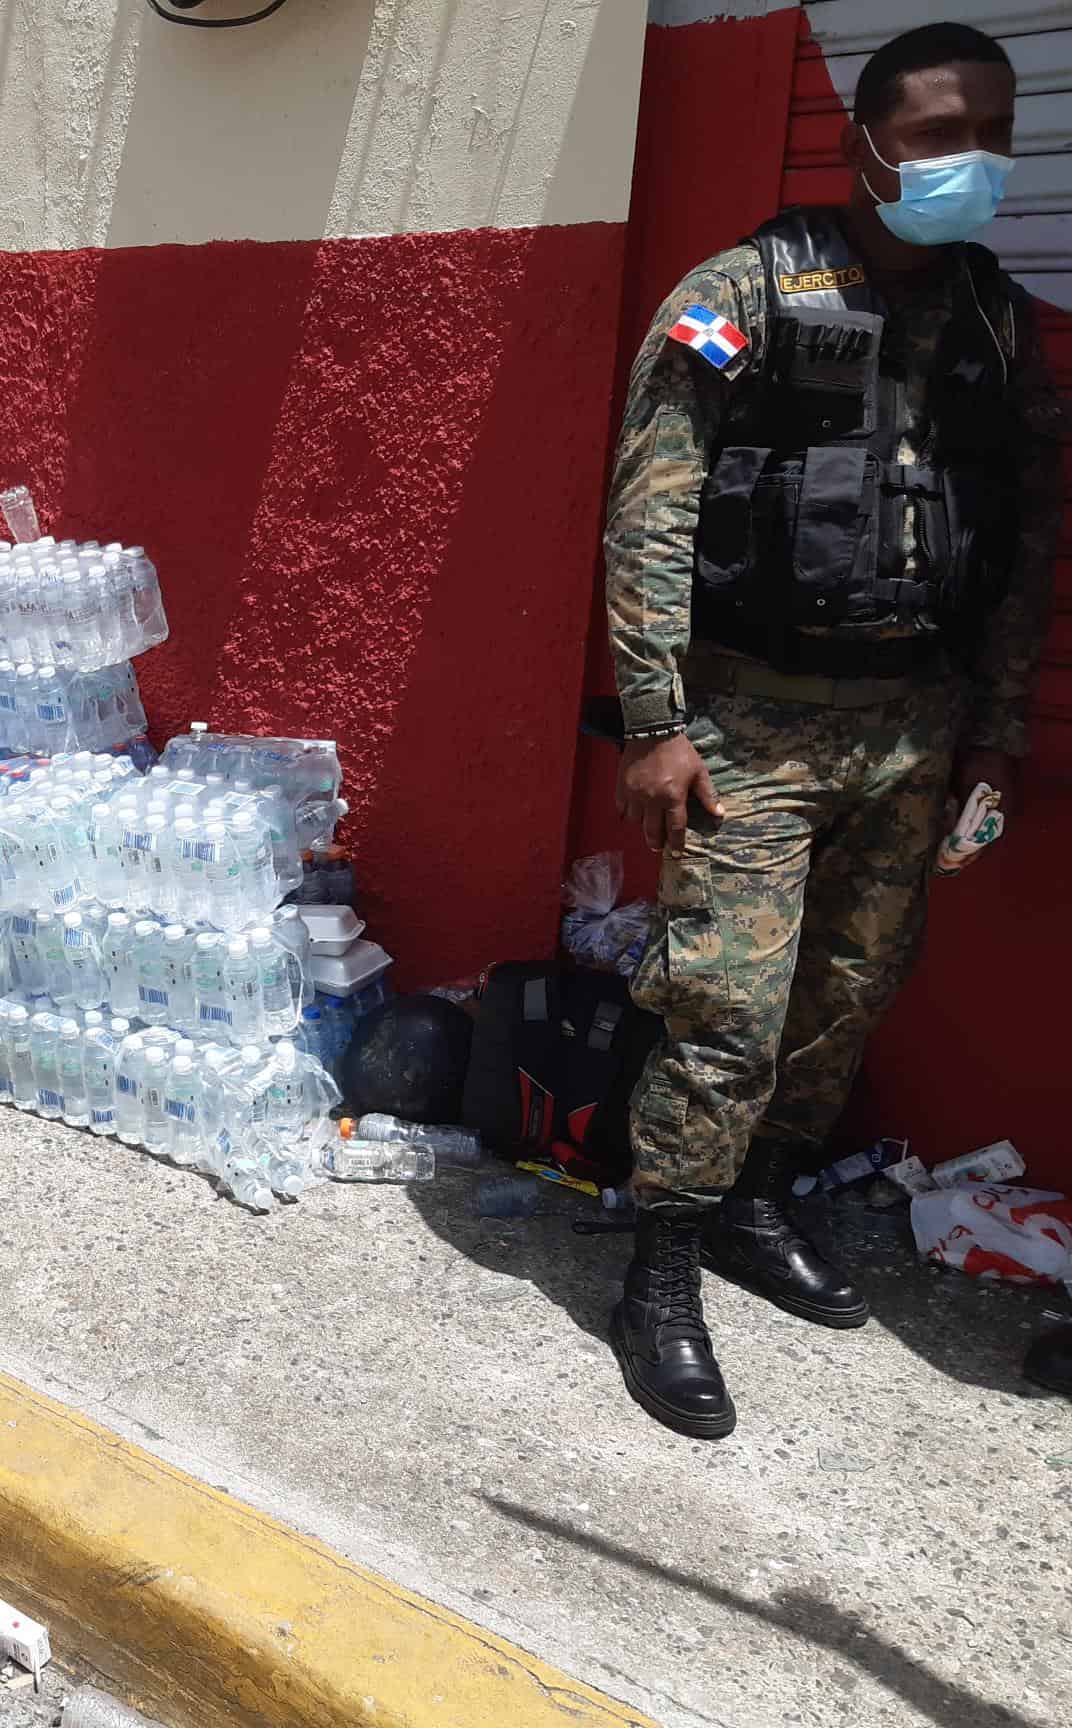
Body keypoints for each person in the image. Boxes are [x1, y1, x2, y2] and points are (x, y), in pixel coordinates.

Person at [603, 22, 1063, 1440]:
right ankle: (660, 1269)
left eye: (990, 131)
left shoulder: (993, 316)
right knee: (727, 1008)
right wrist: (655, 718)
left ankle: (752, 1203)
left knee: (848, 990)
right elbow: (654, 508)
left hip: (911, 729)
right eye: (933, 134)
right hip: (747, 725)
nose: (965, 160)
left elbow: (1023, 541)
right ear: (866, 142)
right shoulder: (741, 289)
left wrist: (991, 737)